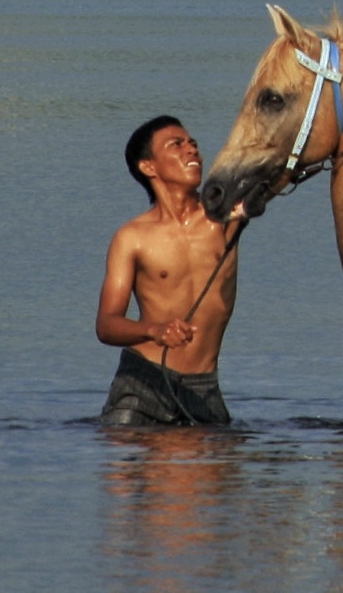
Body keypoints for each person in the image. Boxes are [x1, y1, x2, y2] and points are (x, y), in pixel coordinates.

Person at [95, 115, 241, 427]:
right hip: (143, 383)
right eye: (176, 145)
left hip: (204, 390)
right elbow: (106, 325)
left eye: (193, 144)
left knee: (222, 474)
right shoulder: (132, 237)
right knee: (121, 469)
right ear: (148, 167)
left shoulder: (227, 216)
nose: (192, 151)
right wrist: (154, 330)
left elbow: (277, 164)